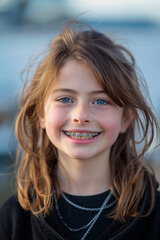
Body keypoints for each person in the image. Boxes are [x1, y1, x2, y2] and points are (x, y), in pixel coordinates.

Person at [0, 20, 160, 240]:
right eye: (65, 98)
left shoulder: (155, 217)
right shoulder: (13, 219)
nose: (81, 115)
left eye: (101, 101)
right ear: (41, 114)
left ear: (126, 118)